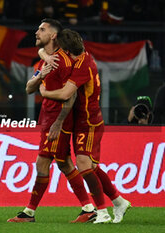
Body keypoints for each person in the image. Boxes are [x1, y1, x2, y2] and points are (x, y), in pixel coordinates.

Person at [7, 19, 96, 224]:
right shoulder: (47, 60)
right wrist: (40, 77)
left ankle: (29, 212)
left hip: (58, 120)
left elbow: (70, 95)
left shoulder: (63, 61)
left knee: (43, 162)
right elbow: (29, 88)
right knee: (64, 163)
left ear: (53, 35)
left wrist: (59, 122)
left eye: (42, 29)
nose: (36, 32)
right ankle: (88, 208)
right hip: (48, 118)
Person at [39, 28, 131, 223]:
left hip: (88, 122)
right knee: (92, 167)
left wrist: (44, 92)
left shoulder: (82, 66)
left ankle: (102, 211)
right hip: (84, 120)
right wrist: (42, 54)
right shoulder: (84, 56)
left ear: (68, 50)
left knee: (83, 164)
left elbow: (65, 94)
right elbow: (45, 52)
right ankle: (118, 201)